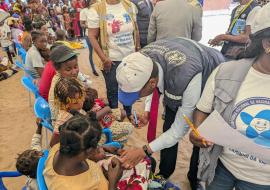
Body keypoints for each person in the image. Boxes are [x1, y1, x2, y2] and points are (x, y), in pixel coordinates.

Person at [115, 38, 225, 180]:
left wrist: (143, 151)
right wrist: (148, 111)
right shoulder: (141, 60)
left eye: (137, 95)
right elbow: (152, 86)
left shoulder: (185, 78)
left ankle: (194, 177)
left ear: (152, 83)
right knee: (168, 125)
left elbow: (179, 131)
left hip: (210, 76)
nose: (136, 100)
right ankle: (165, 171)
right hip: (181, 71)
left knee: (200, 136)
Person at [189, 3, 270, 190]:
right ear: (267, 44)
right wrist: (199, 131)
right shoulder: (226, 72)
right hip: (222, 169)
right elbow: (202, 109)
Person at [87, 0, 140, 117]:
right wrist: (104, 58)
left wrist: (138, 49)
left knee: (128, 89)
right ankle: (115, 117)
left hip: (129, 58)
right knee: (113, 91)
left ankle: (128, 114)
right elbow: (92, 36)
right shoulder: (97, 9)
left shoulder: (129, 5)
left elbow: (135, 29)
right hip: (111, 61)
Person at [43, 114, 123, 190]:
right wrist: (113, 182)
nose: (97, 148)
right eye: (96, 144)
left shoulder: (59, 147)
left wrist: (103, 148)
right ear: (89, 150)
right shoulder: (67, 187)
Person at [48, 45, 91, 122]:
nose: (74, 72)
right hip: (67, 122)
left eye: (76, 66)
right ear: (58, 69)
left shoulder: (67, 77)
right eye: (68, 69)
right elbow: (75, 110)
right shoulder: (64, 86)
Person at [16, 120, 43, 190]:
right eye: (38, 153)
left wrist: (39, 127)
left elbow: (35, 143)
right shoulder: (38, 186)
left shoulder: (36, 155)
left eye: (35, 151)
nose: (40, 152)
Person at [79, 0, 99, 76]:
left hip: (100, 35)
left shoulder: (99, 8)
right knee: (92, 52)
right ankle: (93, 69)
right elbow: (82, 24)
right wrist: (91, 26)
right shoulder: (84, 11)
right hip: (89, 35)